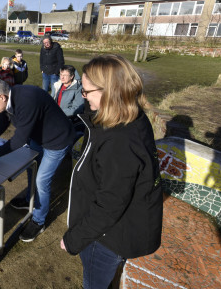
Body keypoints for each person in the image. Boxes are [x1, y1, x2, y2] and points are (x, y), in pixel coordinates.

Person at [60, 55, 163, 288]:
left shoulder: (120, 140)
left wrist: (73, 240)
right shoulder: (128, 116)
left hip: (107, 238)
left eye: (86, 92)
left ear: (110, 91)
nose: (83, 98)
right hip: (114, 230)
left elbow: (110, 204)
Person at [0, 79, 75, 242]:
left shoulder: (27, 100)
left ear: (2, 97)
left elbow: (18, 140)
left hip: (57, 140)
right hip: (38, 137)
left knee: (42, 180)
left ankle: (39, 220)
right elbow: (0, 127)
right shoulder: (5, 101)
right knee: (32, 167)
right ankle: (29, 199)